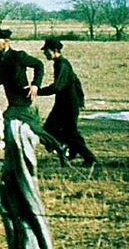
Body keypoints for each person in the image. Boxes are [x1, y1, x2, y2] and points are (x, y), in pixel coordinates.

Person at [0, 29, 67, 166]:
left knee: (5, 122)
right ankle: (58, 147)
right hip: (12, 98)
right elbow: (1, 78)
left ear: (6, 42)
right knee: (34, 129)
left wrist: (35, 85)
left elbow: (38, 65)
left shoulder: (18, 56)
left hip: (22, 97)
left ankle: (5, 158)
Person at [39, 38, 95, 167]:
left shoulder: (62, 64)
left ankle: (89, 158)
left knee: (67, 133)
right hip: (63, 104)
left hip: (67, 105)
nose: (45, 53)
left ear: (54, 50)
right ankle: (72, 150)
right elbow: (76, 81)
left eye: (46, 51)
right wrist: (80, 99)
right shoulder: (60, 63)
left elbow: (57, 86)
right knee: (52, 128)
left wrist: (37, 91)